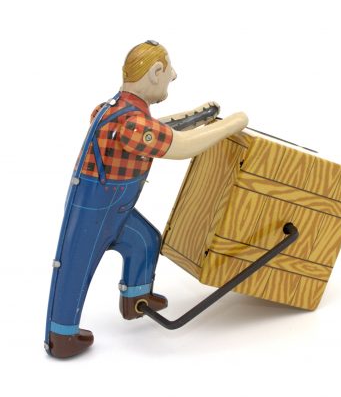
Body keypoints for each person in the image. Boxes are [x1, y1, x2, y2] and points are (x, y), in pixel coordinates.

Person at [44, 40, 248, 358]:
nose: (173, 76)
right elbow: (180, 146)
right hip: (96, 208)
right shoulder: (133, 123)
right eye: (169, 71)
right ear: (155, 73)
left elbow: (157, 130)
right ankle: (62, 335)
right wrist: (234, 123)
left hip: (117, 206)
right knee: (74, 269)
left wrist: (200, 116)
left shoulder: (116, 109)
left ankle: (135, 299)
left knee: (144, 241)